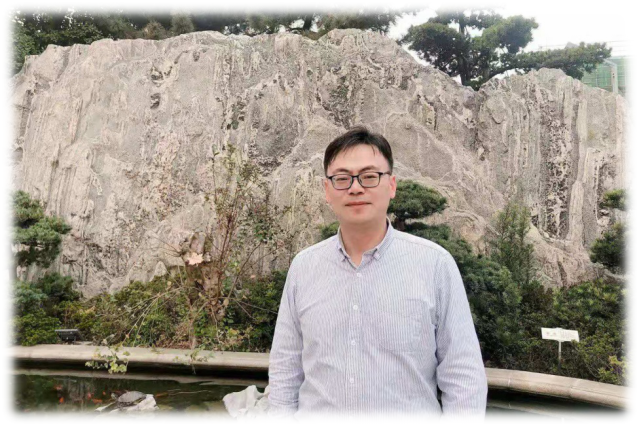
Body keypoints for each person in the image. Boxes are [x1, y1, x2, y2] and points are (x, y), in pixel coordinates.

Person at [267, 126, 487, 417]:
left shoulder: (435, 265)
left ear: (392, 185)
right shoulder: (304, 268)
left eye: (369, 176)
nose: (355, 188)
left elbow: (464, 377)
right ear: (327, 191)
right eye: (342, 179)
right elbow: (285, 371)